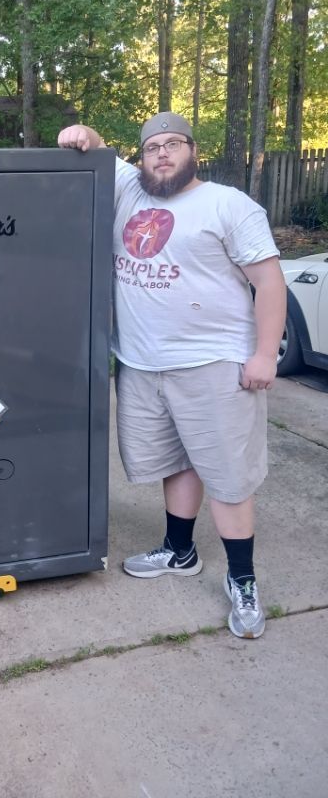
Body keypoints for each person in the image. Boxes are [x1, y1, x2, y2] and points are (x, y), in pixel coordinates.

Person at [58, 112, 286, 639]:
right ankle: (179, 551)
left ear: (192, 151)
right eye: (152, 147)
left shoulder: (228, 205)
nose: (161, 154)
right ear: (141, 157)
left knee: (228, 476)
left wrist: (265, 356)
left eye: (173, 145)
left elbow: (271, 284)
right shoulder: (127, 193)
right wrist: (79, 134)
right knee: (174, 460)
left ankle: (243, 579)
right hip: (141, 363)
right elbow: (93, 142)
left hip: (214, 364)